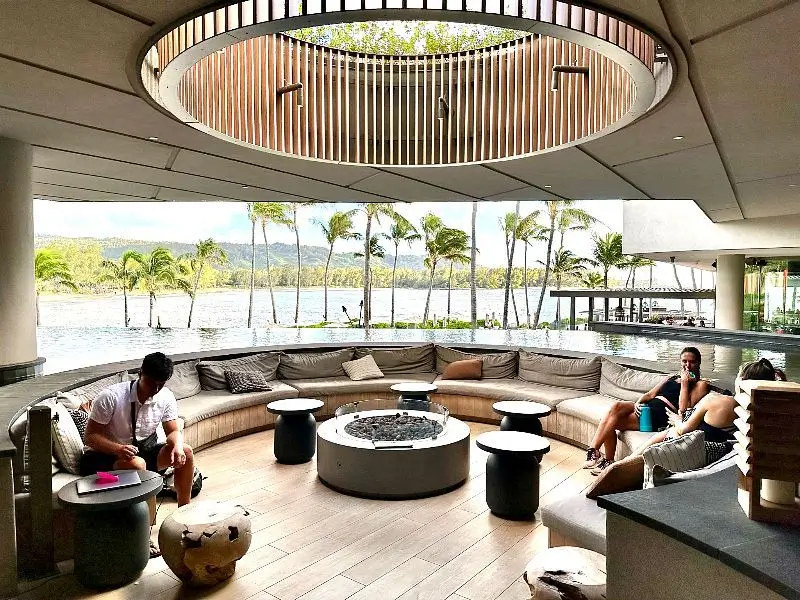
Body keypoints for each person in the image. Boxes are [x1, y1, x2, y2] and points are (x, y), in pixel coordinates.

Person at [583, 347, 710, 473]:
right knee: (615, 408)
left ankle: (604, 459)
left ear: (698, 363)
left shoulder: (701, 384)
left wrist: (685, 384)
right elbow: (650, 394)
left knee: (609, 421)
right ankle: (595, 452)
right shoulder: (671, 378)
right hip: (646, 408)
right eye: (684, 361)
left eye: (691, 362)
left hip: (659, 416)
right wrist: (638, 403)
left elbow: (684, 409)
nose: (687, 365)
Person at [645, 358, 787, 447]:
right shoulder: (764, 408)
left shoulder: (720, 401)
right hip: (721, 445)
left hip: (695, 448)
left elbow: (683, 430)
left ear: (742, 380)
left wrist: (677, 420)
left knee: (665, 434)